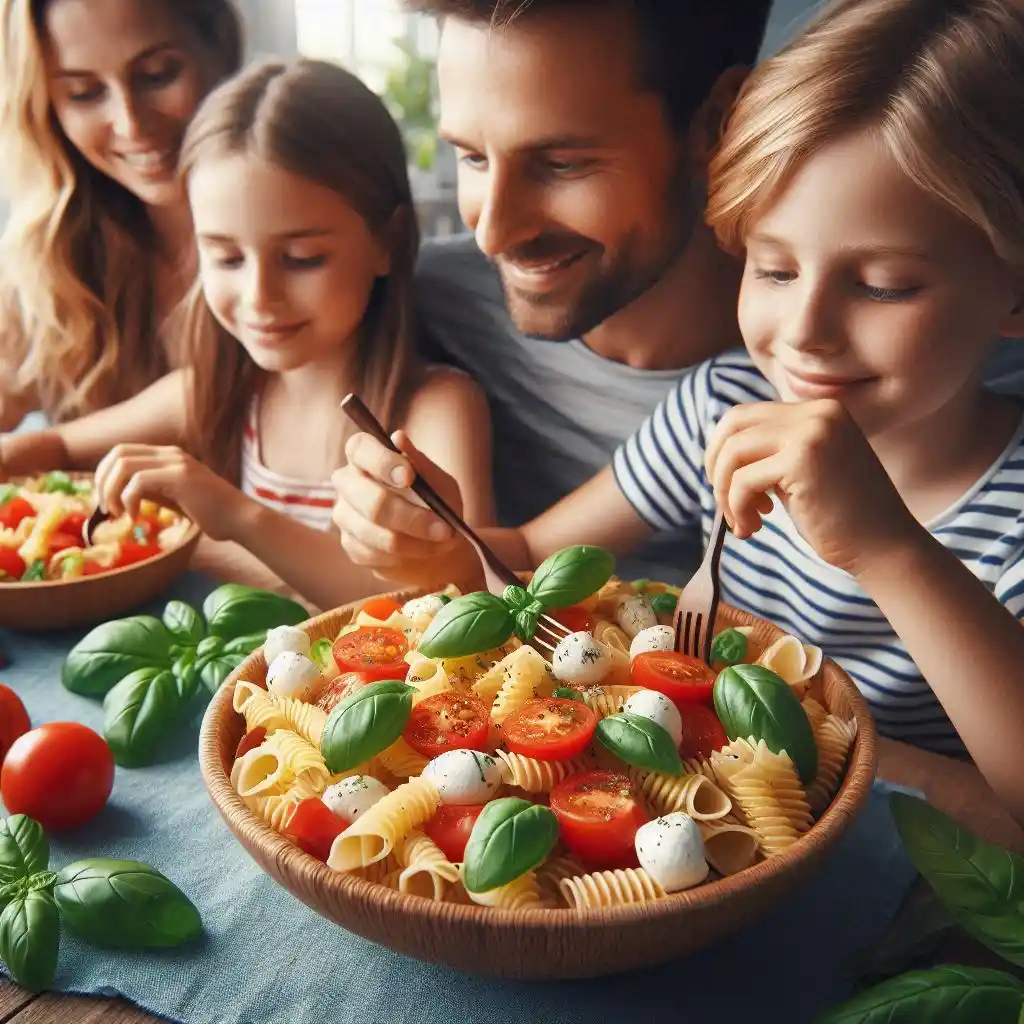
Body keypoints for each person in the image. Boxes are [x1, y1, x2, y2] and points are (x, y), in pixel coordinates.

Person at [332, 0, 1024, 823]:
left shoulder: (1011, 516)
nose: (804, 334)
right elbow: (528, 564)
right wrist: (435, 540)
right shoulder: (722, 406)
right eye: (772, 270)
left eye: (882, 285)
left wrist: (889, 549)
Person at [1, 58, 492, 610]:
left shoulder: (436, 407)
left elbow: (458, 596)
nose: (260, 295)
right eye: (227, 257)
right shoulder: (215, 391)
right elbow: (58, 445)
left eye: (302, 258)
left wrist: (234, 515)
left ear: (386, 240)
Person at [392, 0, 778, 583]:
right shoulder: (415, 303)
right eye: (471, 156)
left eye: (561, 164)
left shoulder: (836, 365)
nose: (493, 233)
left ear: (716, 123)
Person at [0, 0, 242, 433]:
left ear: (220, 44)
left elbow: (223, 394)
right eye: (84, 94)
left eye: (157, 75)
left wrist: (53, 446)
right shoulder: (51, 252)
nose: (130, 124)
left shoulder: (311, 220)